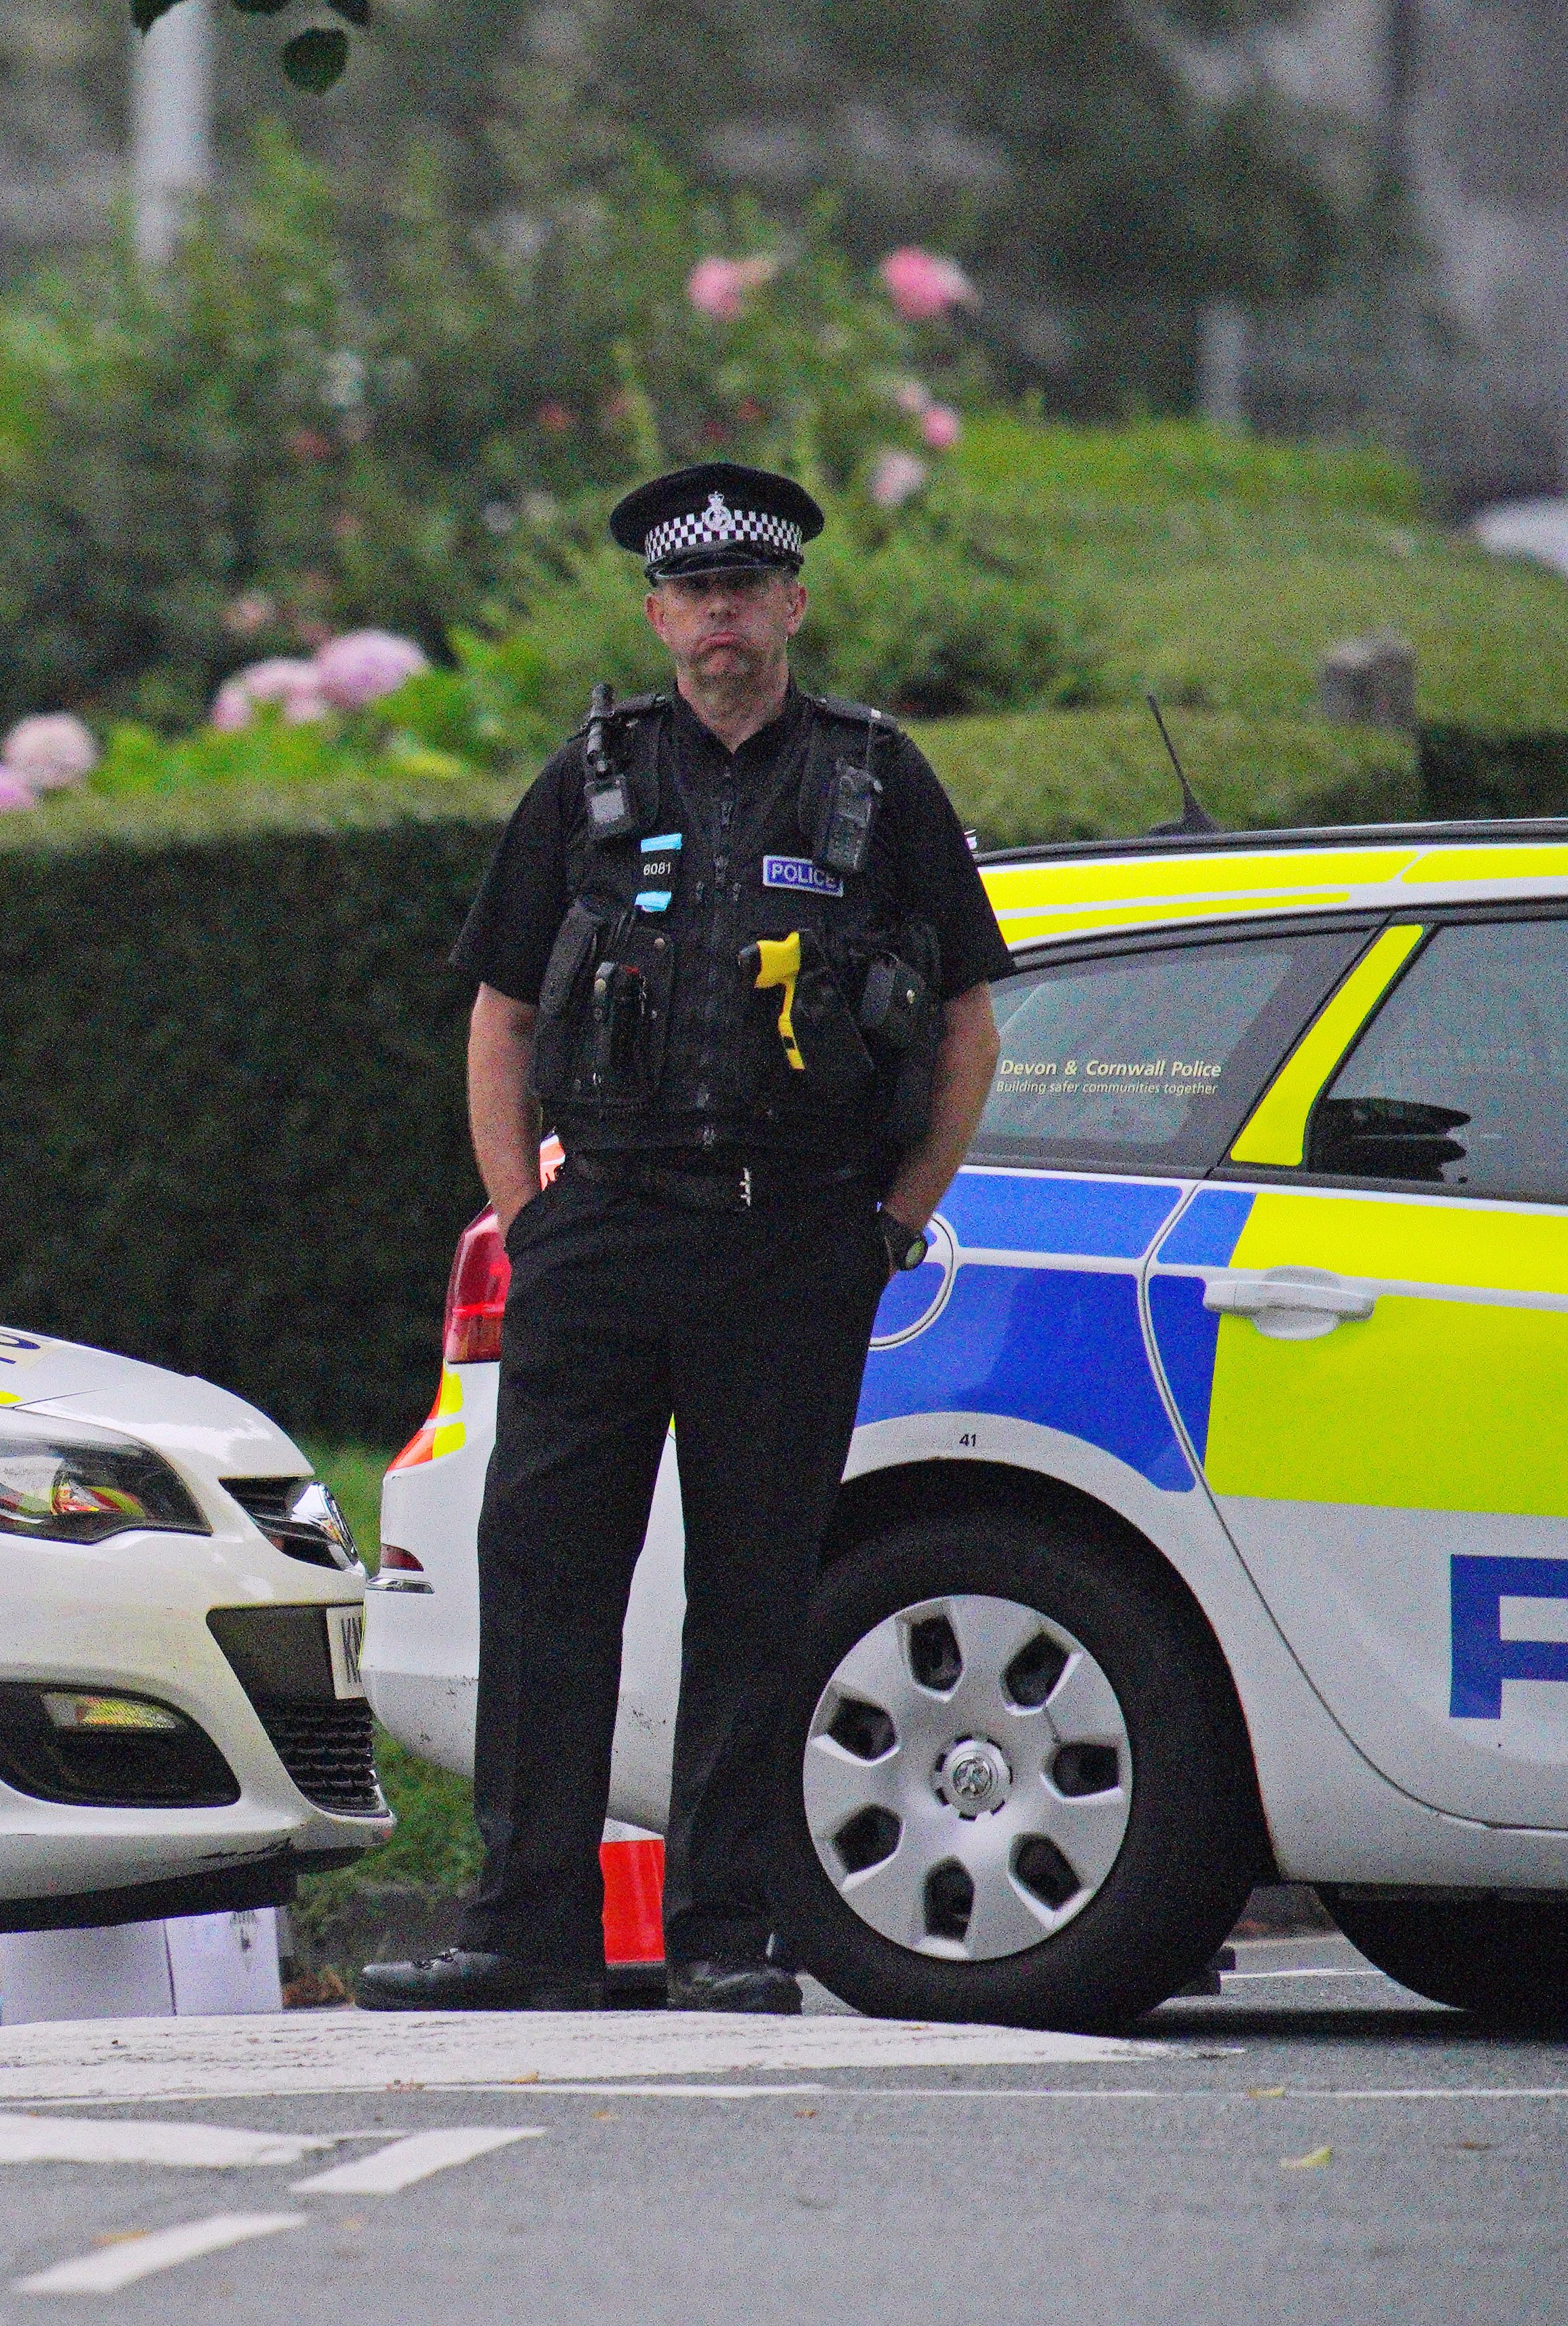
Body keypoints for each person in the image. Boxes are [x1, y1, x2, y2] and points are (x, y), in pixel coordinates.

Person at [355, 464, 1011, 2015]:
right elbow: (501, 1014)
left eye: (748, 590)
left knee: (756, 1598)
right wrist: (528, 1218)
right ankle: (524, 1928)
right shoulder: (590, 776)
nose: (722, 620)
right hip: (608, 1237)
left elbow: (972, 1018)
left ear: (793, 604)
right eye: (693, 596)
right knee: (543, 1587)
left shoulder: (874, 780)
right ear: (658, 614)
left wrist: (896, 1221)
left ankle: (729, 1933)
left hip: (792, 1246)